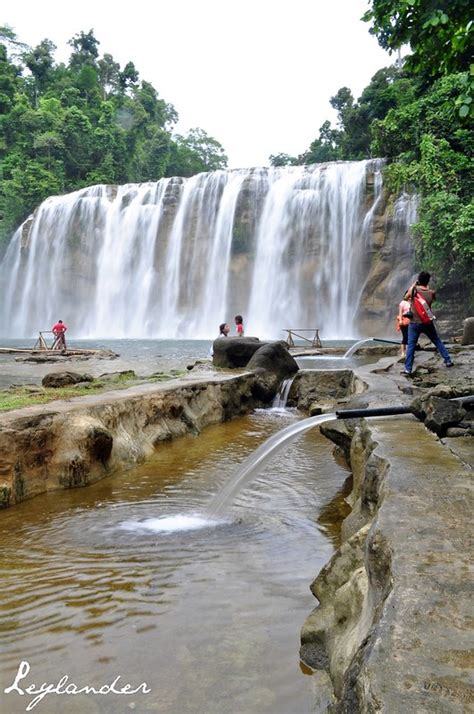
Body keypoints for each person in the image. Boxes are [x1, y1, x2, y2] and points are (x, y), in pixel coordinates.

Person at [403, 272, 453, 376]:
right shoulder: (432, 293)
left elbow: (405, 297)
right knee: (437, 340)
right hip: (427, 322)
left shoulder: (414, 290)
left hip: (414, 323)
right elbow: (432, 301)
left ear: (418, 280)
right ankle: (448, 360)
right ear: (428, 281)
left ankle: (408, 369)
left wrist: (414, 285)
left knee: (411, 345)